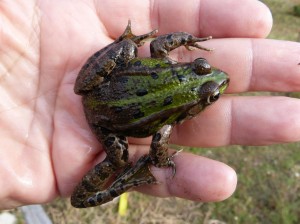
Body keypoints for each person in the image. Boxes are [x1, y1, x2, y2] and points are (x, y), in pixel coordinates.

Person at [0, 0, 299, 210]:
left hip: (93, 85)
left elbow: (159, 45)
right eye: (203, 69)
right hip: (106, 123)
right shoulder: (166, 127)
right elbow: (157, 155)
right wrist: (157, 162)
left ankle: (124, 178)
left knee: (128, 46)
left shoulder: (163, 61)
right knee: (118, 161)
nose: (218, 77)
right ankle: (125, 180)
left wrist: (187, 39)